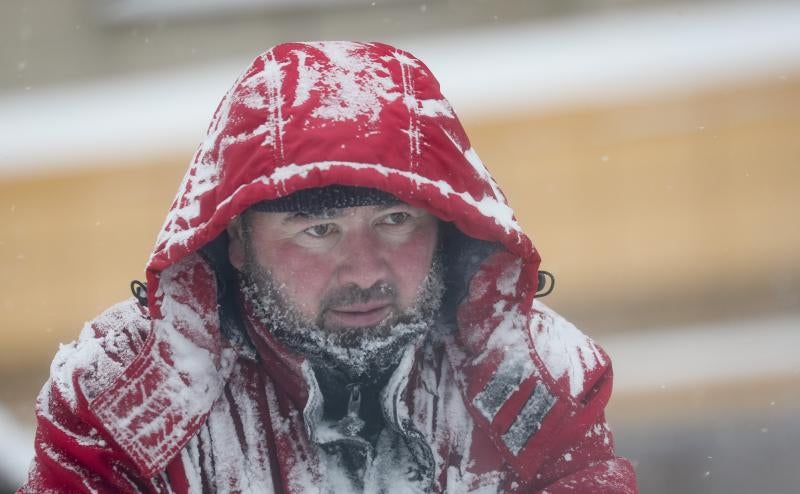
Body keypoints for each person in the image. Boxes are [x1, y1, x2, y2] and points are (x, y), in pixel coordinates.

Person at [19, 41, 638, 493]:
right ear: (233, 240)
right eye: (318, 231)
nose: (364, 269)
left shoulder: (534, 377)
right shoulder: (121, 403)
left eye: (396, 221)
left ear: (448, 227)